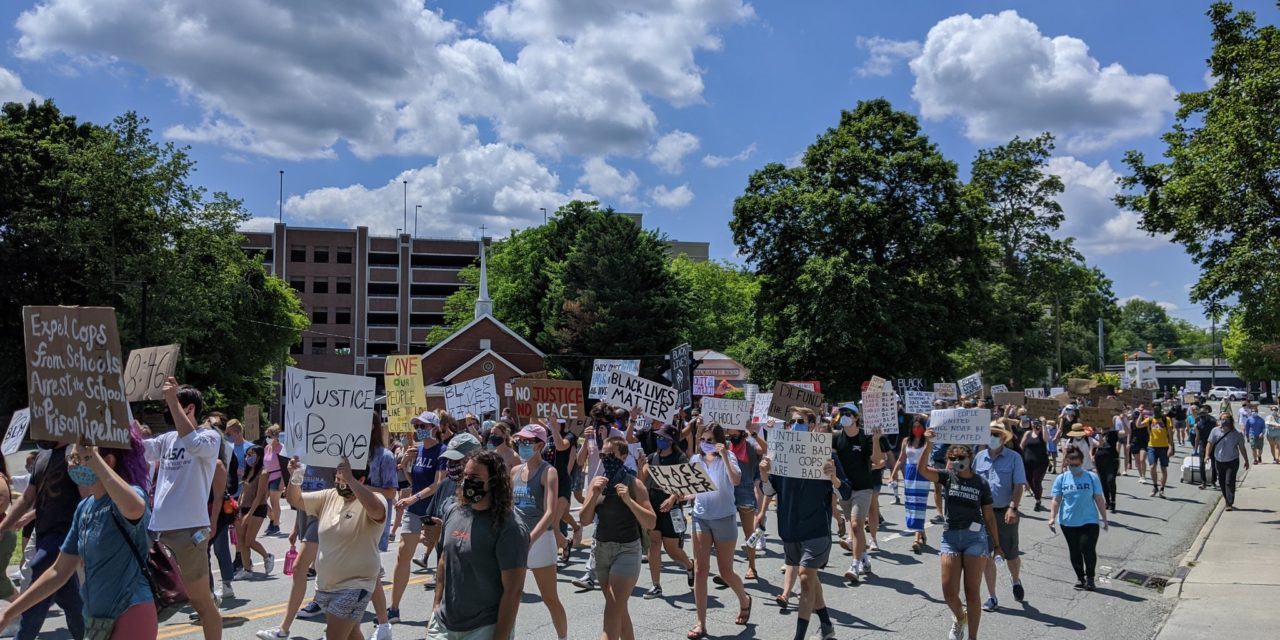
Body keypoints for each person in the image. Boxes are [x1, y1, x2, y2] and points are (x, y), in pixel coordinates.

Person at [0, 431, 155, 640]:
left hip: (130, 612)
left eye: (77, 458)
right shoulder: (84, 509)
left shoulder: (132, 496)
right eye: (71, 458)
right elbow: (57, 571)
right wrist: (9, 613)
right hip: (96, 619)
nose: (71, 465)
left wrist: (94, 460)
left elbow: (134, 507)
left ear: (107, 461)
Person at [145, 378, 223, 640]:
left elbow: (192, 443)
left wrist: (172, 399)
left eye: (172, 405)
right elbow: (140, 450)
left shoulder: (209, 437)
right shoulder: (166, 439)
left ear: (189, 408)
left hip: (189, 533)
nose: (167, 411)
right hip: (157, 532)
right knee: (151, 601)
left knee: (200, 601)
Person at [284, 452, 387, 640]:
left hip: (355, 585)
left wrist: (351, 480)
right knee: (352, 635)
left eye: (344, 480)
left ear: (361, 480)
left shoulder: (375, 499)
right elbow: (295, 500)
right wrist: (295, 476)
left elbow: (377, 511)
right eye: (338, 479)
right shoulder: (329, 496)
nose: (340, 484)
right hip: (326, 586)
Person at [428, 451, 527, 639]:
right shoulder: (454, 511)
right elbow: (444, 560)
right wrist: (436, 606)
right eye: (465, 476)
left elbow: (513, 591)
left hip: (483, 628)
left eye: (474, 477)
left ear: (494, 482)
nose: (467, 482)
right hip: (444, 624)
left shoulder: (509, 527)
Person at [916, 432, 1004, 640]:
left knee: (972, 592)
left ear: (970, 458)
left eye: (961, 458)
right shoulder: (947, 477)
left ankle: (973, 637)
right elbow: (922, 470)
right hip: (951, 538)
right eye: (953, 458)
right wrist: (928, 445)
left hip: (975, 539)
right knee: (948, 591)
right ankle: (959, 617)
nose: (957, 461)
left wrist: (997, 545)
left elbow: (989, 516)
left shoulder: (981, 483)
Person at [0, 436, 86, 640]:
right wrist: (2, 527)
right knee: (71, 599)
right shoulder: (42, 456)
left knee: (36, 595)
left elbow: (87, 497)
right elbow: (27, 497)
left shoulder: (74, 455)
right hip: (44, 535)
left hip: (64, 536)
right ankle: (86, 635)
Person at [578, 436, 655, 640]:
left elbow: (650, 522)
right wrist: (594, 495)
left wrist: (629, 500)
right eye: (603, 455)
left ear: (623, 456)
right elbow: (584, 520)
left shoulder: (634, 483)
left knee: (611, 613)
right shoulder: (597, 482)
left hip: (626, 551)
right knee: (619, 609)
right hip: (601, 551)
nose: (606, 459)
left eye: (611, 455)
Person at [761, 450, 844, 640]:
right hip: (791, 529)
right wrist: (764, 474)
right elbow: (769, 490)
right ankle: (826, 623)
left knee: (805, 577)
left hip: (817, 530)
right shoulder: (782, 454)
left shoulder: (825, 455)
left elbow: (845, 491)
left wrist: (834, 478)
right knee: (810, 578)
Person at [682, 424, 751, 638]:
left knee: (725, 571)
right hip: (700, 517)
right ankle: (700, 623)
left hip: (724, 517)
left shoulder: (728, 457)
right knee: (700, 570)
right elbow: (693, 489)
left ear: (720, 441)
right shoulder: (696, 460)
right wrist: (683, 495)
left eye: (710, 440)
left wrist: (725, 455)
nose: (706, 443)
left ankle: (744, 599)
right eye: (703, 439)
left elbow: (736, 480)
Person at [510, 424, 568, 639]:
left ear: (539, 445)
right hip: (517, 539)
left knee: (549, 598)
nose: (522, 445)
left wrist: (531, 539)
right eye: (520, 441)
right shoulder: (515, 471)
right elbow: (509, 506)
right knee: (511, 596)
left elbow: (550, 512)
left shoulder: (548, 472)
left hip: (540, 539)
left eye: (528, 442)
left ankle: (563, 637)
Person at [636, 424, 695, 599]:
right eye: (658, 437)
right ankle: (656, 585)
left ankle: (690, 566)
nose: (659, 440)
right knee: (654, 544)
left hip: (671, 505)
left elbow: (684, 483)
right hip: (654, 503)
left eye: (663, 438)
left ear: (671, 441)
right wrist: (640, 467)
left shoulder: (679, 458)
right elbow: (642, 480)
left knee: (672, 549)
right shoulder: (652, 457)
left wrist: (671, 499)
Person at [975, 423, 1026, 612]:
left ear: (1004, 438)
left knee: (1011, 554)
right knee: (987, 555)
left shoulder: (1014, 458)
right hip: (983, 513)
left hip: (1005, 512)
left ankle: (1015, 579)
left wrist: (1013, 507)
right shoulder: (979, 457)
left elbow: (1019, 485)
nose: (993, 437)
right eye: (990, 434)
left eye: (996, 434)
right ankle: (992, 596)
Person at [831, 403, 884, 583]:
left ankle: (854, 565)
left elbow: (877, 460)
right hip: (844, 488)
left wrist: (876, 440)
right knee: (854, 526)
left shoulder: (865, 437)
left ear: (855, 417)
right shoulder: (836, 438)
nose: (844, 416)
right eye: (841, 413)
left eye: (848, 413)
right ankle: (864, 558)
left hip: (863, 487)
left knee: (855, 525)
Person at [1048, 446, 1109, 590]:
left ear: (1082, 462)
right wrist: (1052, 517)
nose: (1074, 468)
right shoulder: (1062, 479)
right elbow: (1056, 499)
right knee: (1074, 550)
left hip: (1089, 520)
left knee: (1087, 548)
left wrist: (1104, 518)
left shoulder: (1091, 477)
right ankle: (1080, 578)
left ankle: (1090, 578)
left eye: (1076, 465)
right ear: (1067, 463)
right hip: (1068, 521)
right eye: (1071, 465)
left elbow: (1099, 498)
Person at [364, 415, 399, 640]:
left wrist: (360, 487)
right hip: (348, 519)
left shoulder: (385, 456)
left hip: (373, 520)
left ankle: (384, 624)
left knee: (368, 574)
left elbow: (390, 492)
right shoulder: (348, 455)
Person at [726, 424, 765, 579]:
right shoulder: (725, 445)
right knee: (727, 533)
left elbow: (765, 450)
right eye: (729, 431)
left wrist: (754, 434)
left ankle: (752, 566)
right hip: (728, 491)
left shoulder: (750, 445)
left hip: (745, 491)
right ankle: (727, 571)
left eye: (734, 431)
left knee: (749, 531)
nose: (731, 434)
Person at [542, 418, 581, 564]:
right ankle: (568, 539)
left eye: (554, 421)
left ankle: (552, 558)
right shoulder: (546, 438)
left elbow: (560, 447)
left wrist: (554, 428)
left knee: (553, 521)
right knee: (563, 515)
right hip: (547, 483)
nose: (550, 423)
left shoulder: (570, 437)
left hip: (562, 482)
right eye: (549, 421)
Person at [233, 445, 274, 578]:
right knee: (241, 540)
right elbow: (244, 491)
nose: (248, 457)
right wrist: (238, 507)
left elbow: (260, 495)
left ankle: (267, 556)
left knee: (249, 541)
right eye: (247, 454)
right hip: (243, 507)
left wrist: (249, 514)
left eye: (251, 454)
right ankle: (247, 570)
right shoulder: (248, 470)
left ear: (259, 456)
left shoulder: (263, 472)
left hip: (257, 508)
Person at [891, 415, 930, 552]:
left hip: (923, 473)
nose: (916, 429)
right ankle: (921, 531)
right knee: (911, 504)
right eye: (914, 426)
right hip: (910, 473)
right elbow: (901, 459)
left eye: (919, 426)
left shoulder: (927, 441)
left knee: (920, 505)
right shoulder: (906, 441)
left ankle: (916, 538)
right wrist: (894, 474)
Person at [1206, 415, 1251, 510]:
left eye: (1226, 419)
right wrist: (1207, 455)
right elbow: (1210, 443)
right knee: (1221, 481)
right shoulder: (1215, 431)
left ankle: (1229, 503)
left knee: (1229, 481)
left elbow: (1242, 448)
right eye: (1222, 419)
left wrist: (1246, 460)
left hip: (1232, 460)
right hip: (1219, 460)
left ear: (1230, 421)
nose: (1224, 421)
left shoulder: (1237, 434)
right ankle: (1227, 498)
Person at [1091, 418, 1121, 513]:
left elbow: (1127, 432)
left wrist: (1124, 419)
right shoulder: (1096, 434)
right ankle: (1107, 501)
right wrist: (1092, 455)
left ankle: (1113, 501)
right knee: (1103, 482)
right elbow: (1096, 446)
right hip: (1099, 460)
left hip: (1112, 460)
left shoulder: (1114, 433)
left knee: (1111, 480)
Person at [1020, 419, 1050, 512]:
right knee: (1029, 481)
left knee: (1036, 481)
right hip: (1027, 462)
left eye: (1038, 423)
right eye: (1034, 423)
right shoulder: (1028, 433)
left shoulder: (1043, 433)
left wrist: (1044, 425)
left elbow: (1046, 439)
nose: (1036, 425)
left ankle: (1038, 500)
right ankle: (1037, 494)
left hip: (1041, 463)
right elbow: (1021, 446)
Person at [1145, 410, 1175, 498]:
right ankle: (1155, 487)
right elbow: (1138, 425)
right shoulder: (1150, 419)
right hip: (1152, 447)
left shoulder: (1166, 419)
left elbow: (1170, 435)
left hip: (1164, 447)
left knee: (1163, 468)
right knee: (1152, 466)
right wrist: (1140, 414)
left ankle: (1162, 489)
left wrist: (1171, 447)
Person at [262, 425, 285, 536]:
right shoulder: (267, 448)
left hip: (278, 476)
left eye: (270, 436)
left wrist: (283, 482)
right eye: (267, 436)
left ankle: (276, 525)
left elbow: (285, 466)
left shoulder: (282, 448)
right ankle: (273, 519)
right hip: (267, 476)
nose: (268, 438)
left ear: (276, 437)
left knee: (274, 502)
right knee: (262, 500)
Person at [1194, 406, 1219, 490]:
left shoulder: (1213, 422)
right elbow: (1197, 437)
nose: (1202, 416)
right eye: (1201, 414)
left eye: (1204, 414)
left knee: (1214, 464)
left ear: (1207, 413)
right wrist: (1195, 449)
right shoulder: (1198, 424)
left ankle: (1213, 482)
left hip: (1212, 444)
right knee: (1202, 464)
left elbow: (1217, 434)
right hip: (1203, 445)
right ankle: (1203, 482)